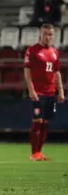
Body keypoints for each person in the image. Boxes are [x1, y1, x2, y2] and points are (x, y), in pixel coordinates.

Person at [24, 24, 65, 161]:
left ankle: (39, 152)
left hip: (50, 93)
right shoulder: (32, 50)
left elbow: (57, 72)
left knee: (45, 123)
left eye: (51, 34)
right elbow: (27, 71)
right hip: (38, 92)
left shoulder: (54, 52)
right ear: (40, 35)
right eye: (46, 34)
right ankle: (34, 153)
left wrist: (60, 91)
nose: (48, 37)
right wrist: (31, 90)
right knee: (37, 121)